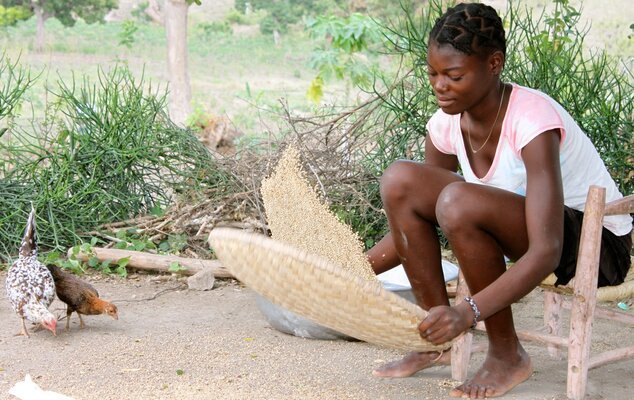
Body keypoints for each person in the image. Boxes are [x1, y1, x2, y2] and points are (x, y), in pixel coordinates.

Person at [365, 2, 633, 399]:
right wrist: (352, 268)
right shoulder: (445, 123)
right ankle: (435, 336)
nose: (440, 86)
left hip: (594, 247)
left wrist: (468, 311)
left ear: (494, 64)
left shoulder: (532, 120)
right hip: (527, 232)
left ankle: (507, 355)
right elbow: (417, 217)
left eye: (453, 75)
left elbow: (546, 249)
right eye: (433, 74)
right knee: (401, 179)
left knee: (457, 200)